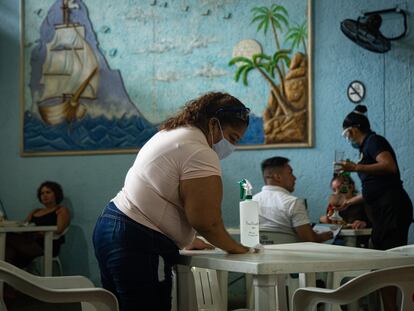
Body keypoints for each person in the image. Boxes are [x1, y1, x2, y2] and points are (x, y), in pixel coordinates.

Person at [93, 92, 253, 311]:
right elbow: (207, 221)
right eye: (233, 138)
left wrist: (185, 238)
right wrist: (237, 248)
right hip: (138, 240)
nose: (232, 147)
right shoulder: (200, 151)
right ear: (213, 124)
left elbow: (161, 191)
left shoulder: (173, 134)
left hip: (113, 228)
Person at [336, 104, 413, 311]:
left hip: (391, 209)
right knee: (382, 263)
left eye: (346, 133)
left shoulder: (373, 141)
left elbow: (389, 166)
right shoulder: (365, 148)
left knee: (386, 264)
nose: (347, 137)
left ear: (353, 129)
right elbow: (374, 187)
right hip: (383, 209)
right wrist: (350, 201)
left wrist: (355, 167)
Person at [254, 156, 333, 244]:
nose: (294, 178)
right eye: (290, 173)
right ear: (278, 177)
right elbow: (310, 240)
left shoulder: (251, 202)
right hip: (290, 256)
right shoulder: (293, 202)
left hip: (258, 255)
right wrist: (326, 235)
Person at [6, 181, 70, 268]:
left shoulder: (61, 210)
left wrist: (38, 232)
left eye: (48, 192)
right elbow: (24, 226)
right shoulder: (35, 211)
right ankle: (9, 274)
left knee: (7, 239)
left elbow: (59, 230)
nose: (44, 195)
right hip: (29, 242)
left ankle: (9, 275)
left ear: (56, 194)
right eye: (42, 193)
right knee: (7, 246)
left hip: (47, 245)